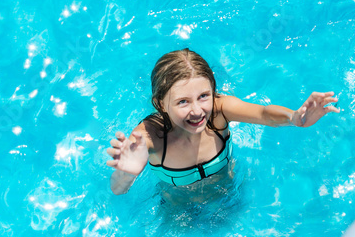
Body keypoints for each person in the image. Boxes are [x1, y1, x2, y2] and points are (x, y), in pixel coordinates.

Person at [106, 49, 338, 193]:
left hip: (228, 190)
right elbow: (117, 190)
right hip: (178, 205)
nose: (197, 111)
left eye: (203, 96)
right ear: (159, 104)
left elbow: (264, 114)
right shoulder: (150, 136)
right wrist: (125, 174)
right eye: (183, 102)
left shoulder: (219, 111)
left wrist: (295, 118)